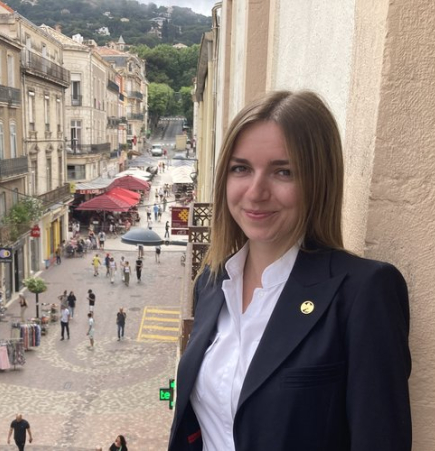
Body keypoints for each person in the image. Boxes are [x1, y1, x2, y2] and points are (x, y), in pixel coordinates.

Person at [168, 91, 411, 450]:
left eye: (283, 171)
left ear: (318, 181)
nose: (255, 192)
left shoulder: (362, 292)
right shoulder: (211, 282)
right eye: (241, 168)